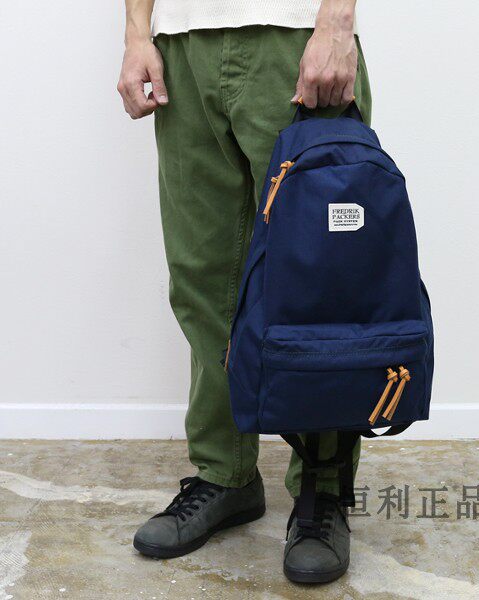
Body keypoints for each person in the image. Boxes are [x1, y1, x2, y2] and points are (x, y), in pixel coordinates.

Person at [117, 0, 371, 583]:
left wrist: (335, 23)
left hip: (291, 35)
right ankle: (224, 475)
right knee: (204, 277)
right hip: (183, 47)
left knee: (319, 281)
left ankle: (322, 491)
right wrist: (136, 35)